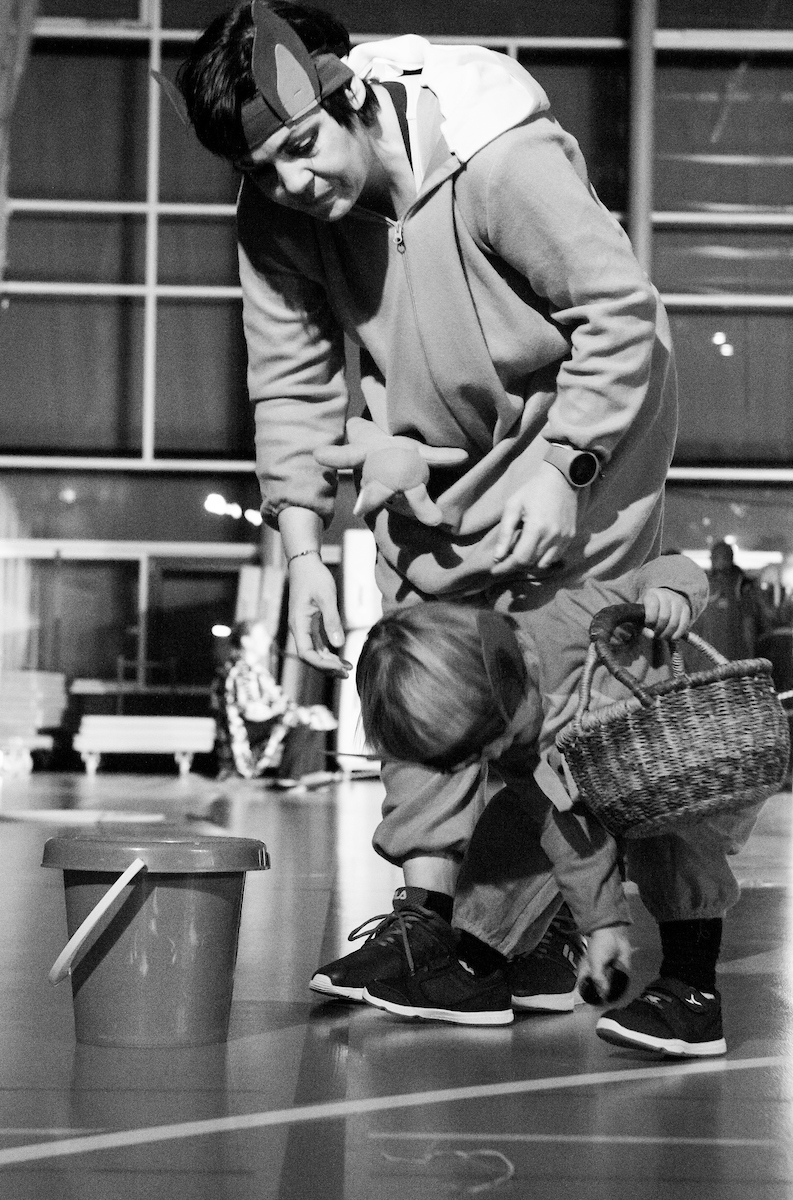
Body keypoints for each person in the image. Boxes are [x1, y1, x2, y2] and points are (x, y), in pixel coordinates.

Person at [175, 3, 678, 1017]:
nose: (291, 185)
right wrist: (303, 552)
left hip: (580, 438)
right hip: (430, 460)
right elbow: (290, 385)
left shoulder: (503, 163)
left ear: (351, 96)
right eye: (261, 171)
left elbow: (622, 317)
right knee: (418, 669)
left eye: (301, 148)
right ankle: (429, 929)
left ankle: (542, 926)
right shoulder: (280, 219)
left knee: (555, 701)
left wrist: (566, 465)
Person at [355, 553, 767, 1057]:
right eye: (472, 755)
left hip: (693, 756)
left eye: (489, 737)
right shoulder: (513, 737)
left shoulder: (569, 620)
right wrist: (604, 925)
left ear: (502, 680)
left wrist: (671, 594)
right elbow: (566, 827)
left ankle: (692, 992)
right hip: (610, 783)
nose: (492, 753)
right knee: (512, 826)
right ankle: (476, 964)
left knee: (673, 841)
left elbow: (666, 567)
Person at [210, 618, 337, 779]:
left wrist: (300, 710)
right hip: (242, 733)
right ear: (246, 641)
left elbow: (280, 700)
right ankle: (292, 777)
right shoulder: (238, 672)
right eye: (262, 636)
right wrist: (285, 711)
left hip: (259, 724)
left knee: (315, 715)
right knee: (300, 718)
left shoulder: (257, 671)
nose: (268, 640)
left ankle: (312, 775)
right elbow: (251, 712)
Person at [694, 541, 774, 662]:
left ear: (729, 558)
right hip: (709, 657)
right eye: (714, 557)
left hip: (735, 655)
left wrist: (750, 655)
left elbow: (749, 624)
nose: (716, 560)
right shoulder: (706, 583)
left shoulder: (741, 585)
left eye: (721, 556)